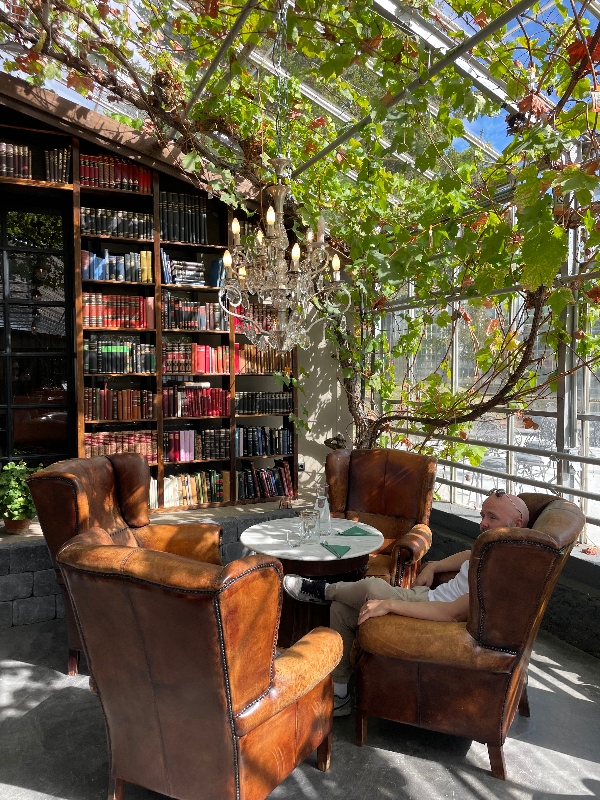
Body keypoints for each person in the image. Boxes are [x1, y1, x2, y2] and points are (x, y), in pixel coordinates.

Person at [283, 489, 529, 717]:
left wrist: (389, 605)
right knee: (341, 609)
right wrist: (434, 566)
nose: (483, 523)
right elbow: (468, 555)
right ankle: (340, 694)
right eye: (483, 515)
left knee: (372, 588)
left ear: (516, 524)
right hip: (429, 597)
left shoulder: (502, 572)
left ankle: (321, 590)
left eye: (492, 517)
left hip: (434, 615)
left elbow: (451, 614)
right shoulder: (494, 548)